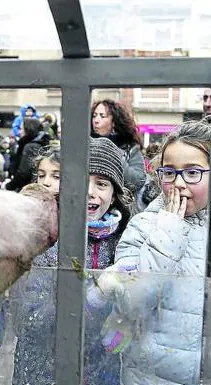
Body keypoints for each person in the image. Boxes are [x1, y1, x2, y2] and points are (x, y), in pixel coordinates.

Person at [96, 120, 211, 385]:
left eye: (193, 173)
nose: (179, 184)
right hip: (150, 376)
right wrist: (169, 231)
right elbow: (132, 302)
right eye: (169, 172)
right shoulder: (143, 226)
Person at [10, 138, 132, 385]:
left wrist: (124, 325)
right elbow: (28, 320)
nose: (90, 191)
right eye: (81, 181)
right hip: (44, 373)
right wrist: (92, 299)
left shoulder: (125, 239)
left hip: (101, 374)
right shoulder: (45, 238)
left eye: (101, 184)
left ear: (114, 193)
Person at [91, 99, 146, 195]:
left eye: (102, 116)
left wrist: (114, 154)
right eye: (94, 116)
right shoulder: (85, 144)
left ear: (114, 122)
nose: (96, 120)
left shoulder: (130, 147)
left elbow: (138, 181)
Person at [4, 118, 50, 192]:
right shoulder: (41, 144)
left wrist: (8, 186)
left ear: (28, 130)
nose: (20, 132)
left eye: (21, 129)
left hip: (28, 190)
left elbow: (23, 174)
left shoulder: (30, 147)